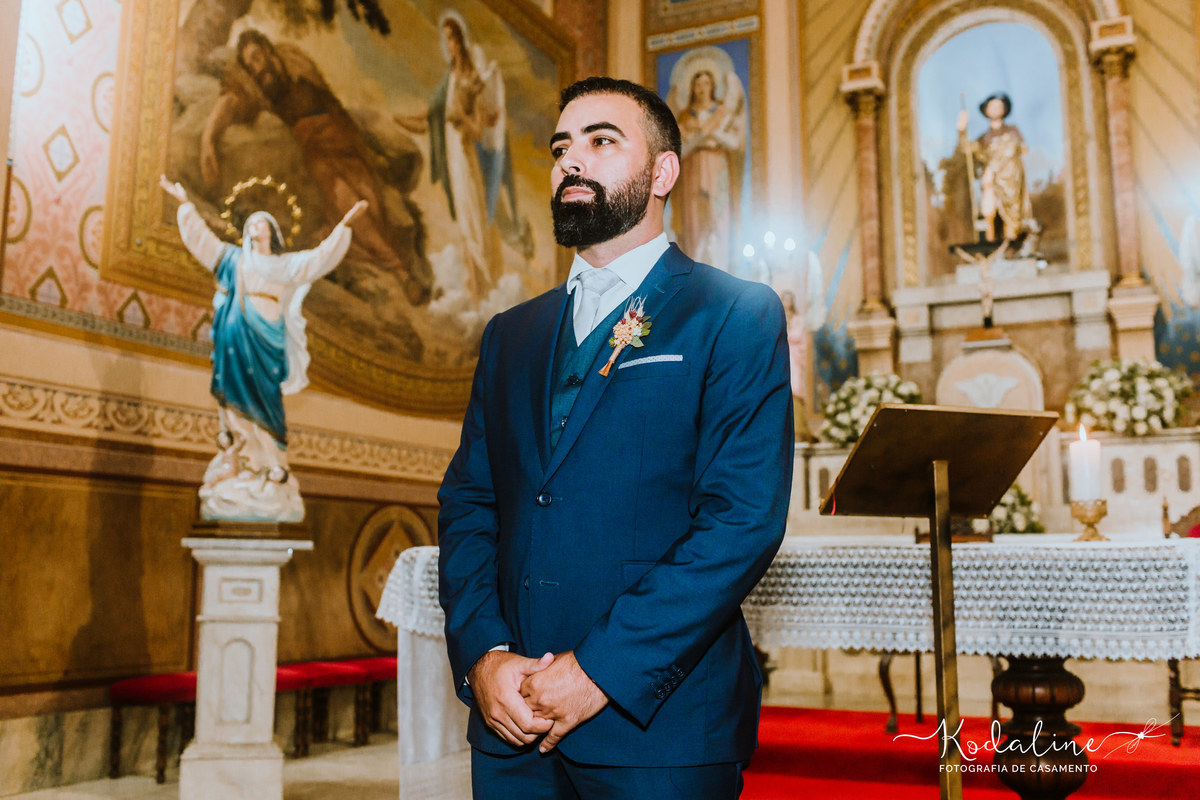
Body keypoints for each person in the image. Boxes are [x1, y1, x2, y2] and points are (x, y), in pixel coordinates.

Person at [437, 77, 793, 799]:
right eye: (562, 147)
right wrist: (485, 656)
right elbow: (471, 503)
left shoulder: (734, 313)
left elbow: (739, 522)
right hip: (511, 728)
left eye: (603, 141)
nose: (573, 160)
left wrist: (599, 670)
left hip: (657, 726)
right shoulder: (511, 335)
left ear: (663, 173)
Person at [159, 174, 366, 520]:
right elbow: (202, 241)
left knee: (266, 401)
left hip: (266, 338)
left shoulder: (283, 265)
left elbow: (318, 259)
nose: (255, 226)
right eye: (251, 223)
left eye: (261, 223)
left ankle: (273, 466)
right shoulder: (233, 260)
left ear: (272, 232)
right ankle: (241, 463)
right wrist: (184, 204)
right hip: (233, 335)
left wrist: (344, 225)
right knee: (234, 402)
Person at [200, 29, 432, 305]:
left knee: (371, 202)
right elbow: (231, 100)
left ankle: (387, 263)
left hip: (345, 146)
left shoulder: (298, 68)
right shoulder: (261, 91)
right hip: (318, 155)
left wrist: (363, 148)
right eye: (250, 66)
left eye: (257, 59)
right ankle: (403, 274)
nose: (256, 69)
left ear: (268, 52)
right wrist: (207, 140)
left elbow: (334, 107)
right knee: (350, 203)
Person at [673, 69, 746, 269]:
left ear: (712, 86)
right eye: (698, 84)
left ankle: (722, 267)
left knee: (719, 216)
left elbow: (734, 142)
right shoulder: (686, 116)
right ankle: (693, 267)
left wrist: (710, 131)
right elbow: (679, 151)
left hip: (717, 168)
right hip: (693, 171)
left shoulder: (722, 112)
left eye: (706, 83)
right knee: (694, 221)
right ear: (692, 88)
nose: (702, 89)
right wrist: (703, 135)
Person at [956, 91, 1033, 243]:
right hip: (991, 181)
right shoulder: (985, 137)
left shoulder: (1012, 131)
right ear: (985, 110)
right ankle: (992, 246)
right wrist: (962, 129)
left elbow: (1019, 150)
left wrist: (996, 166)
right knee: (989, 211)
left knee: (1012, 216)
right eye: (992, 106)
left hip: (1010, 180)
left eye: (999, 106)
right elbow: (966, 148)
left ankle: (1011, 245)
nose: (995, 109)